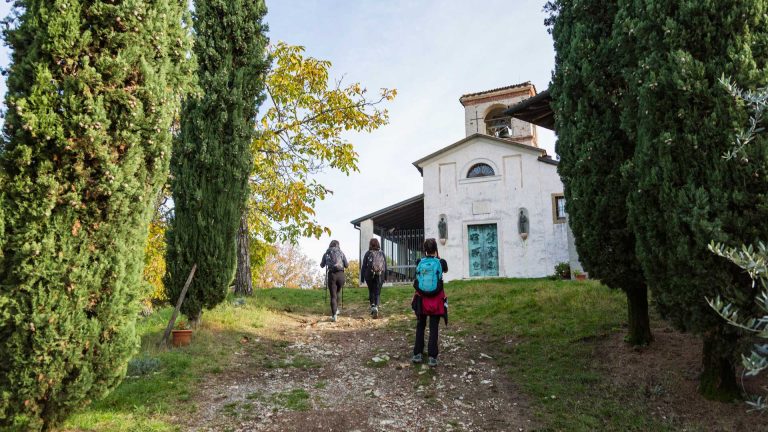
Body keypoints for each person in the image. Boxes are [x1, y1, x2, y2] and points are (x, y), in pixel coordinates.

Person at [411, 238, 448, 367]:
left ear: (425, 249)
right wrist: (438, 257)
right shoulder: (441, 262)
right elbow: (445, 270)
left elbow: (417, 277)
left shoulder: (419, 261)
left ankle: (417, 354)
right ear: (436, 249)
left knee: (420, 326)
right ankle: (432, 357)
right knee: (433, 327)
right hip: (436, 300)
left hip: (422, 299)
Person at [320, 240, 348, 322]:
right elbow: (346, 265)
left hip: (332, 275)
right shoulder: (341, 253)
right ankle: (337, 309)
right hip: (341, 275)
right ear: (338, 245)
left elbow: (322, 265)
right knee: (337, 292)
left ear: (330, 245)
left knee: (333, 296)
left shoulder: (327, 253)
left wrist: (325, 262)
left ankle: (334, 315)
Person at [361, 238, 387, 318]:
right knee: (377, 292)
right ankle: (376, 306)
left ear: (370, 244)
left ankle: (372, 306)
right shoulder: (382, 253)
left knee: (371, 290)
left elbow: (364, 266)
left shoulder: (368, 253)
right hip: (380, 275)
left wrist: (362, 278)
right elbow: (385, 266)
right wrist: (385, 277)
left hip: (369, 274)